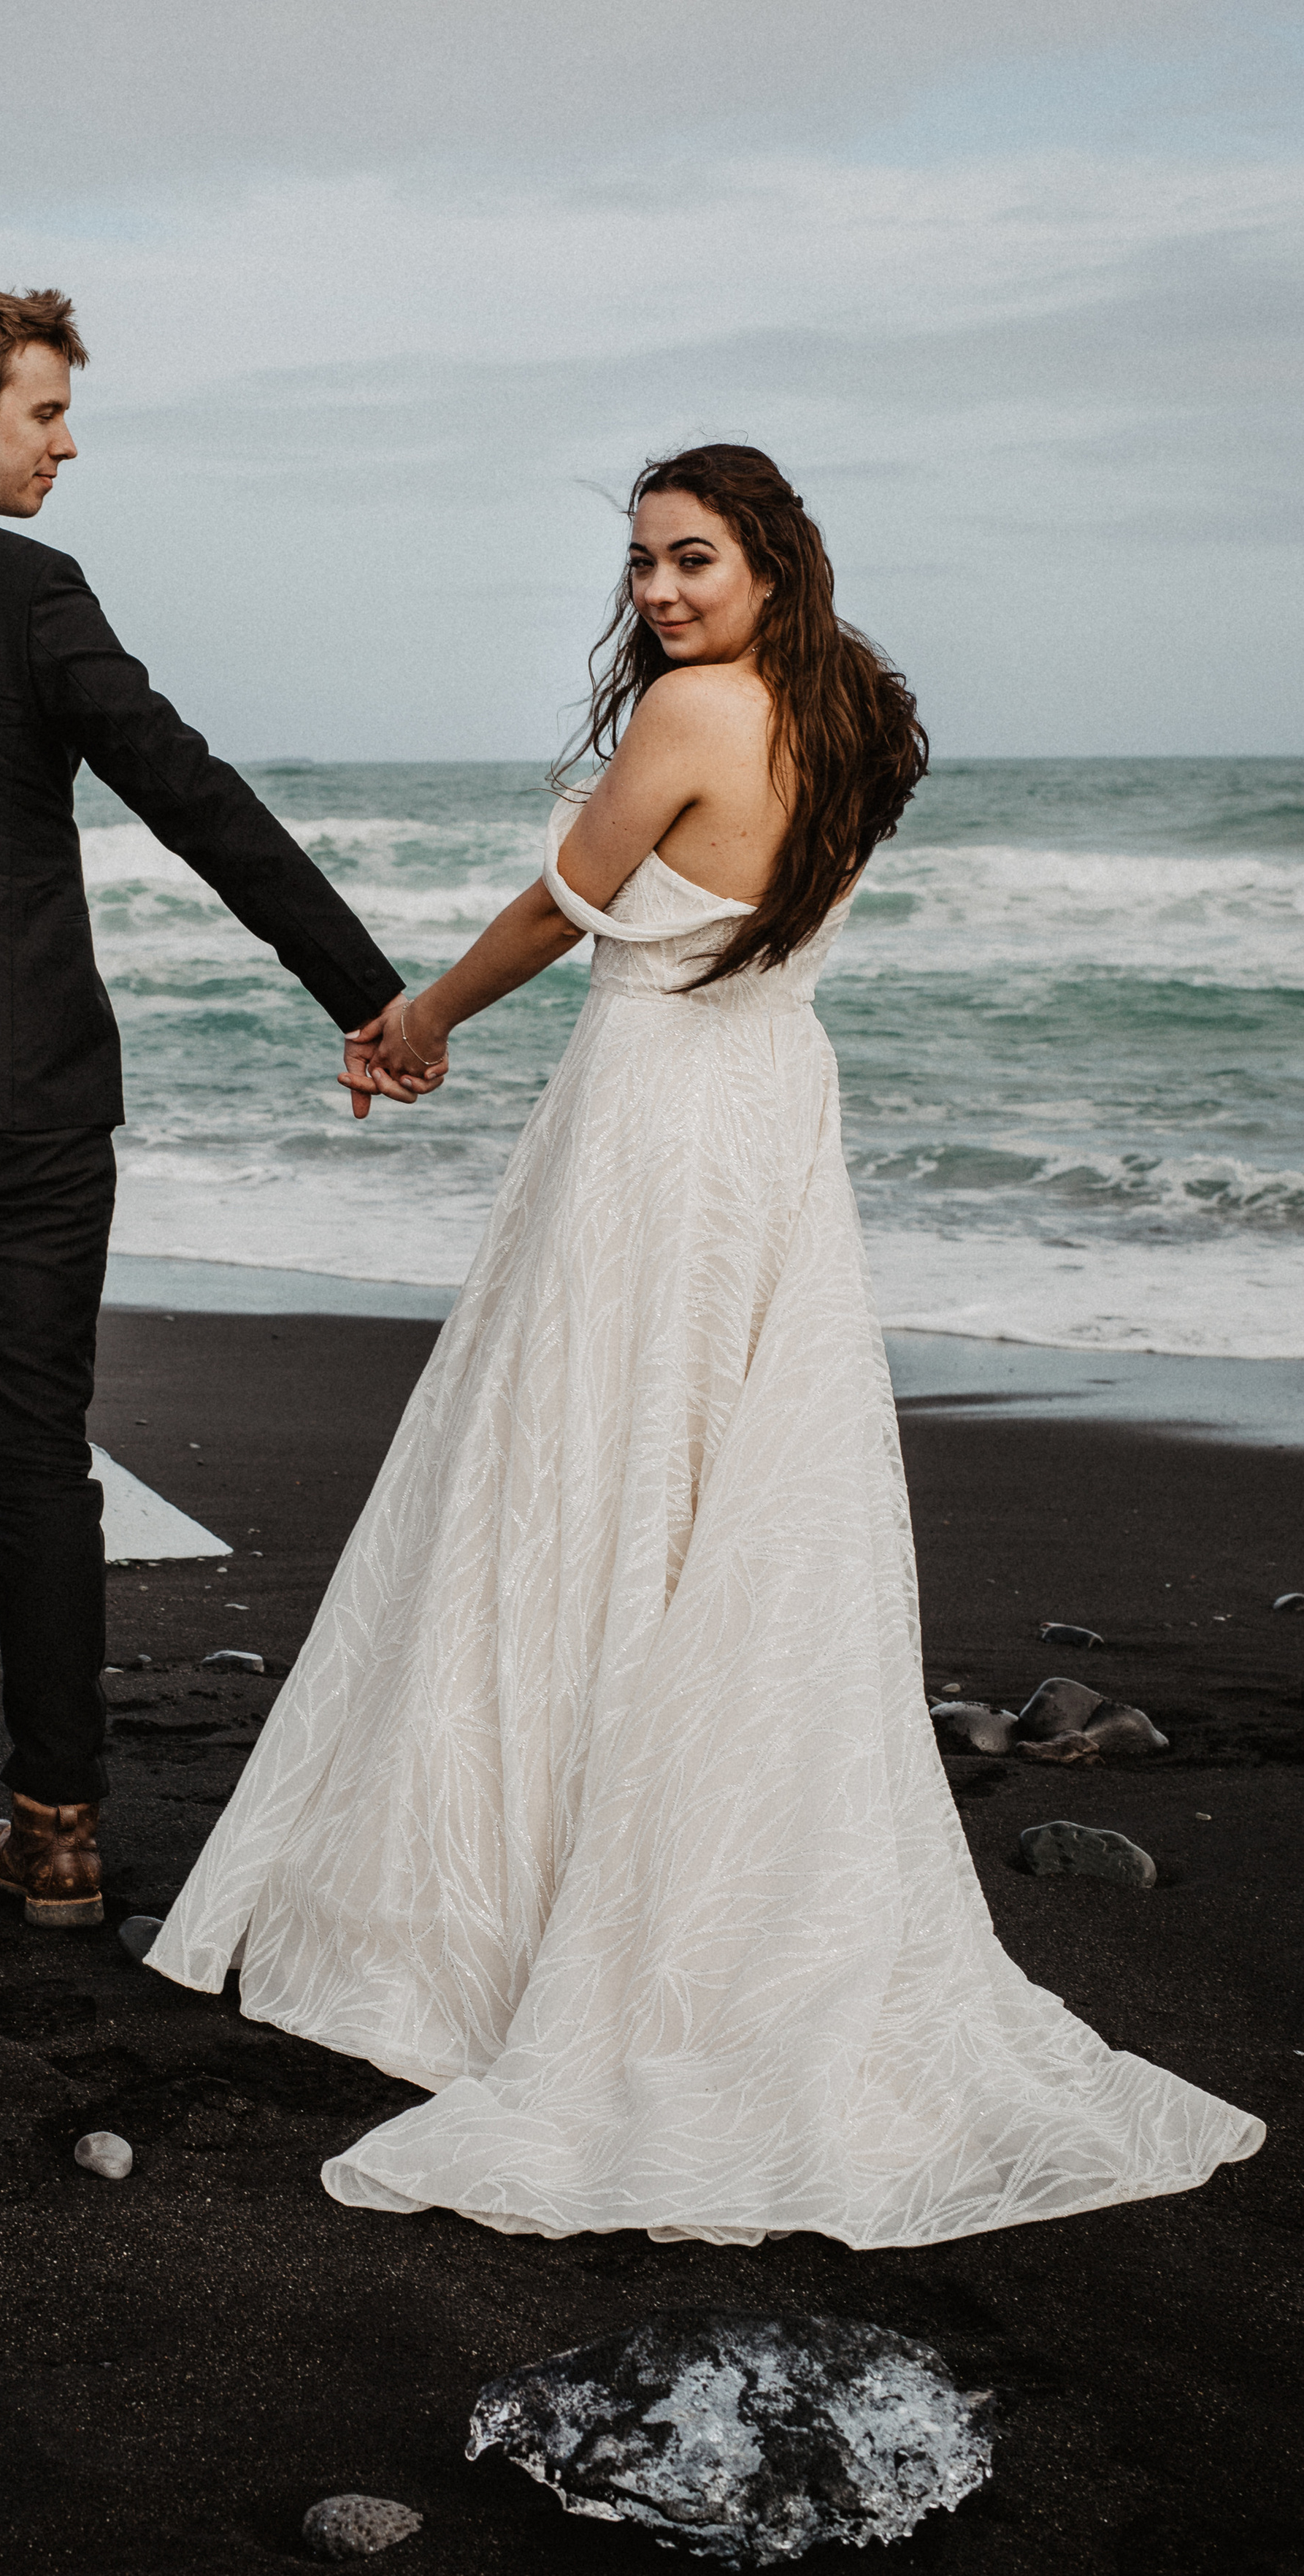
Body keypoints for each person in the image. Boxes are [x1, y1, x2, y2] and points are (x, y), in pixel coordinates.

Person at [150, 443, 1263, 2243]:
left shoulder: (691, 713)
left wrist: (409, 1019)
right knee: (720, 1479)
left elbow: (556, 910)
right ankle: (677, 1852)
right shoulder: (859, 718)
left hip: (658, 1121)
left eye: (692, 558)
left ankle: (515, 1909)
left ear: (767, 562)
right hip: (773, 1124)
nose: (659, 592)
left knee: (582, 1462)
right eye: (645, 563)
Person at [0, 283, 407, 1926]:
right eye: (45, 411)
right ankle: (55, 1831)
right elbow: (191, 796)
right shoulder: (30, 592)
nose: (66, 439)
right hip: (26, 1087)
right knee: (35, 1453)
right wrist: (367, 992)